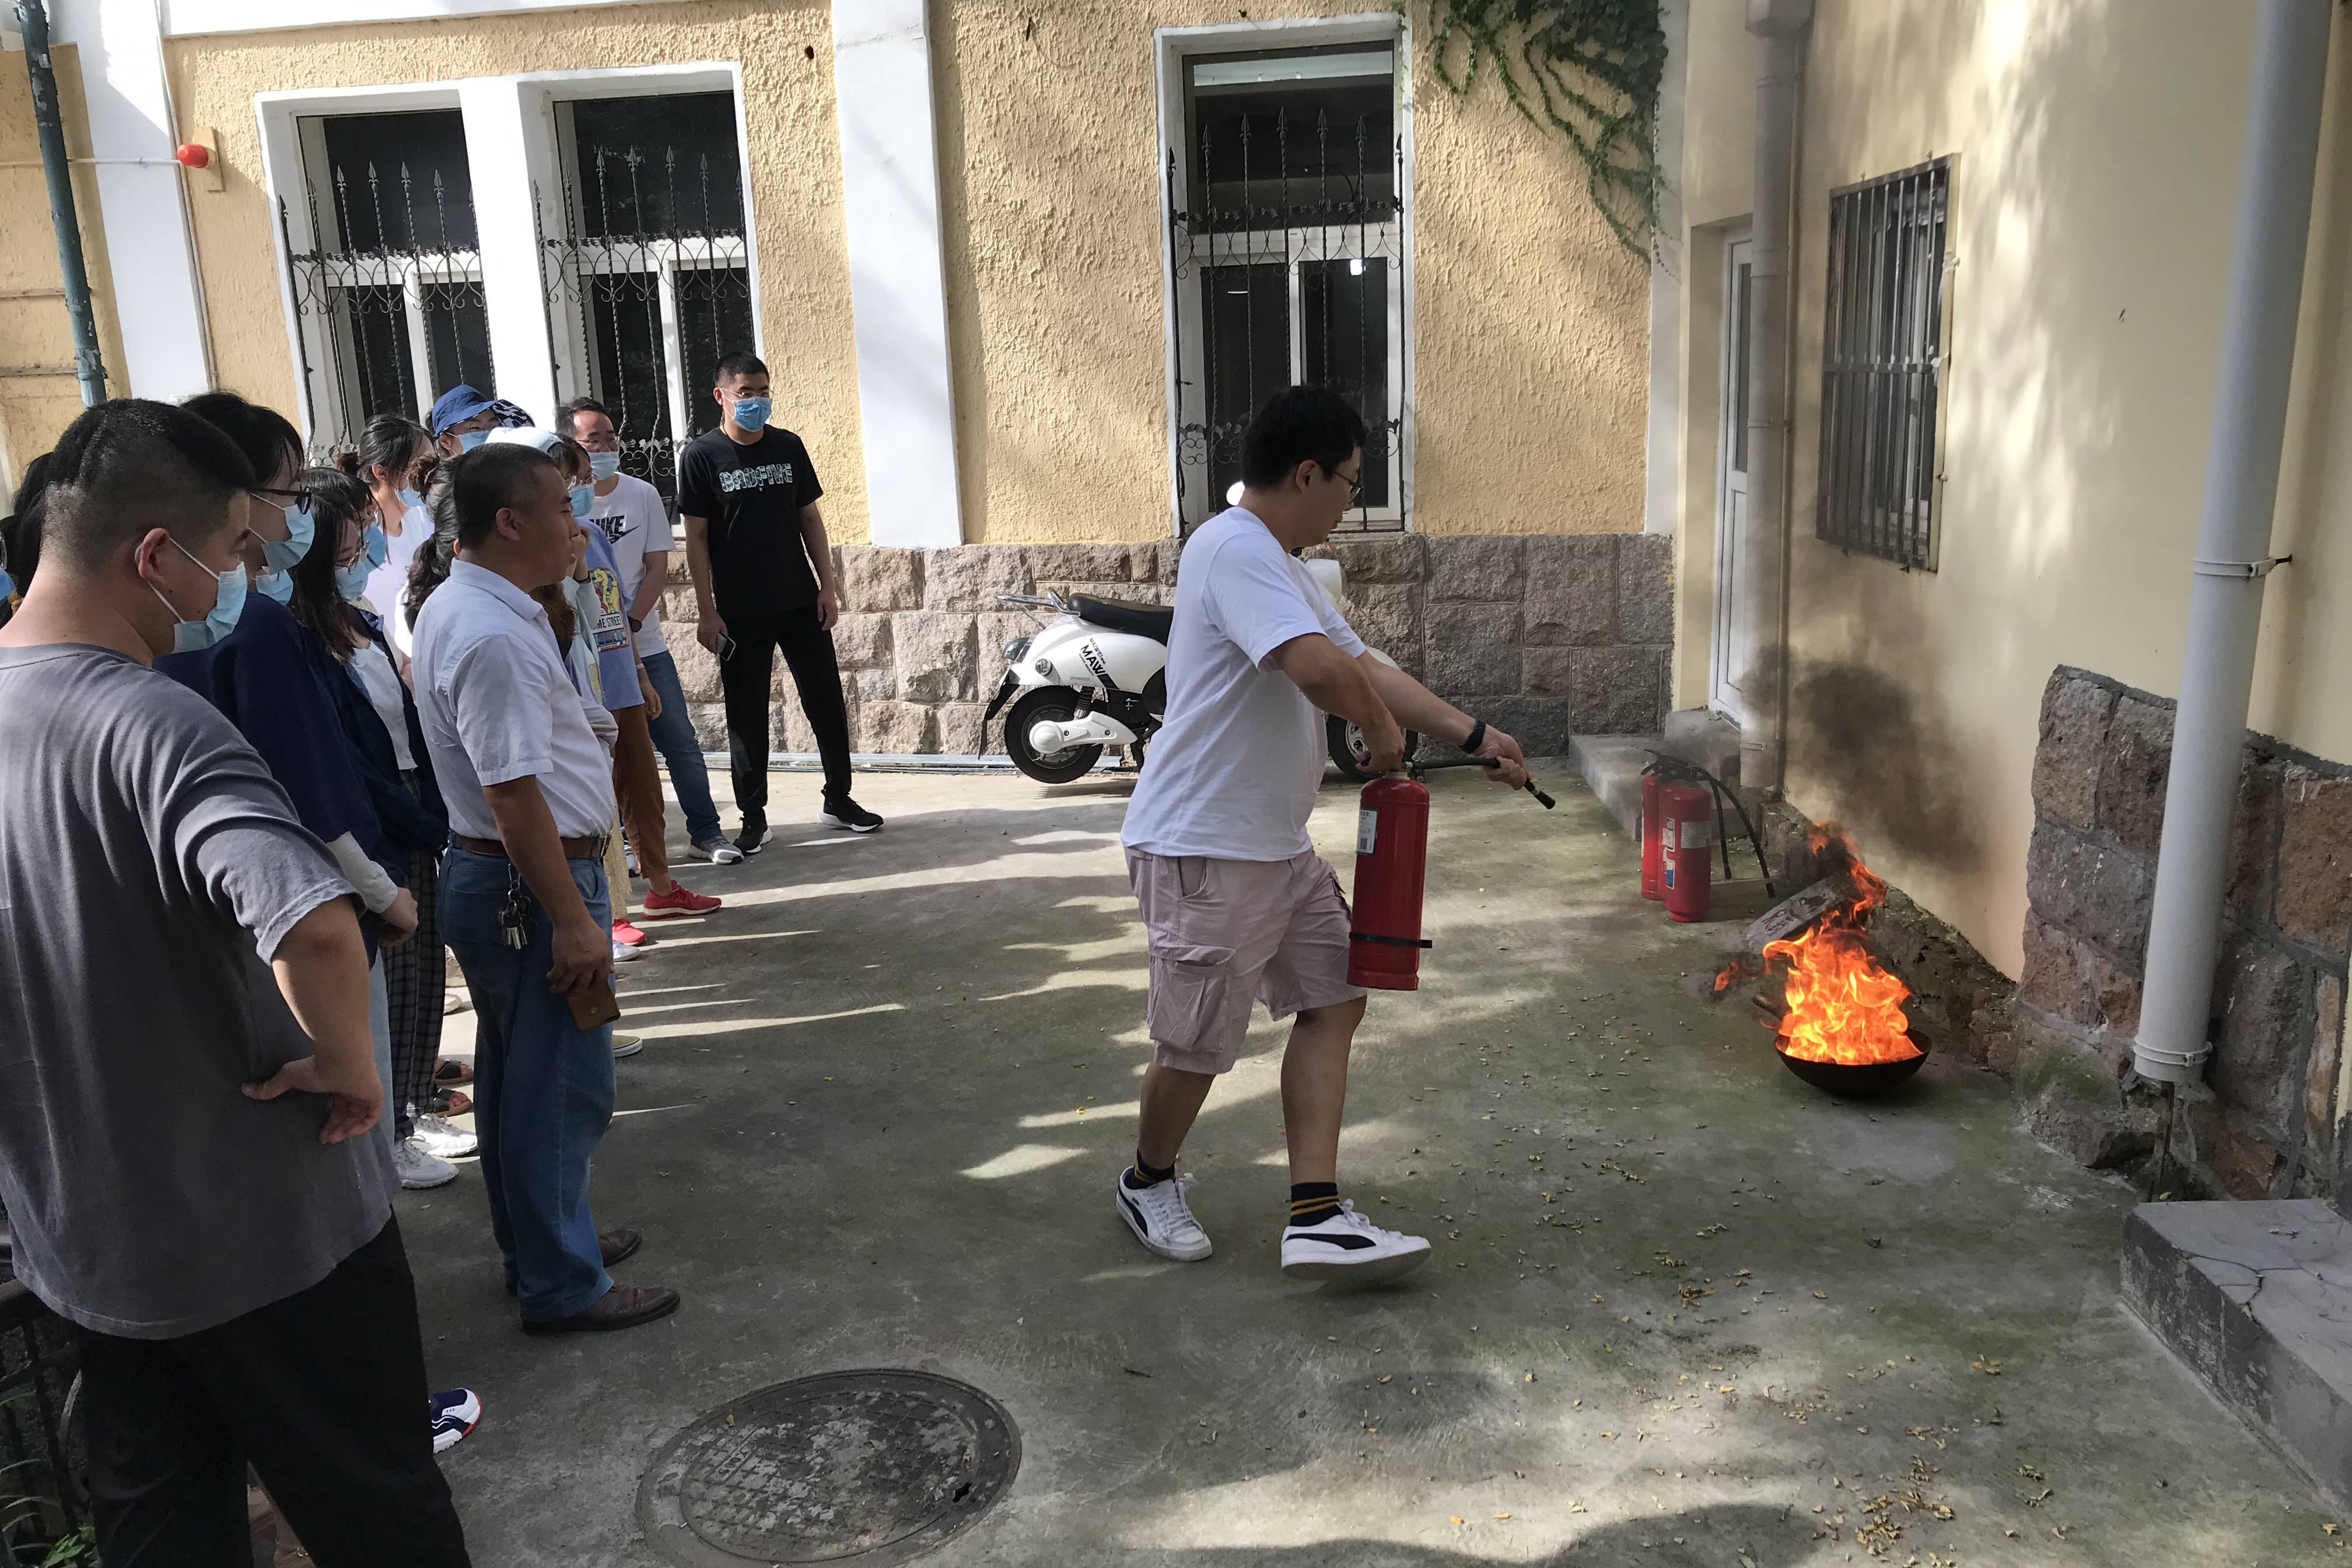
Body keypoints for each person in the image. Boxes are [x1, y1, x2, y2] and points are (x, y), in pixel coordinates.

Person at [0, 397, 470, 1563]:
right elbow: (312, 922)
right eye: (231, 553)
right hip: (269, 1237)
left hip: (89, 1250)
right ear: (154, 556)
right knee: (378, 1514)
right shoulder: (153, 724)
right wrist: (350, 1069)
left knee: (160, 1525)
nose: (241, 582)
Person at [1113, 385, 1531, 1281]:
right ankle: (1147, 1180)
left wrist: (1474, 734)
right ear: (1306, 474)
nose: (1350, 501)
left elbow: (1363, 664)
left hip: (1275, 844)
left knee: (1337, 994)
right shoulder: (1232, 547)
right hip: (1205, 846)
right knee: (1197, 1045)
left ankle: (1316, 1214)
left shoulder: (1284, 566)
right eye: (1349, 482)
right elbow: (1315, 671)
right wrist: (1378, 732)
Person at [410, 439, 680, 1333]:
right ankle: (561, 1284)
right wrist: (572, 917)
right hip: (532, 887)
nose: (579, 527)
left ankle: (542, 1248)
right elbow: (513, 793)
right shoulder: (488, 633)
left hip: (511, 879)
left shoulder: (483, 606)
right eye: (563, 509)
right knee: (562, 1088)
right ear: (509, 522)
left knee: (520, 1082)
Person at [290, 465, 474, 1188]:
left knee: (424, 977)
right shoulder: (303, 641)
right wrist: (418, 821)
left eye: (363, 542)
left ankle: (415, 1106)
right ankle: (390, 1132)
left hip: (414, 808)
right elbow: (347, 762)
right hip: (380, 822)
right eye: (347, 551)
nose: (364, 557)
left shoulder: (361, 622)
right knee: (391, 985)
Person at [488, 426, 723, 963]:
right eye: (566, 483)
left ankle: (661, 887)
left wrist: (639, 673)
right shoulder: (536, 559)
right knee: (595, 800)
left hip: (616, 679)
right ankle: (612, 912)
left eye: (578, 481)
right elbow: (564, 622)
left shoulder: (592, 537)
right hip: (578, 693)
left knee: (642, 785)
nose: (578, 492)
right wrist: (571, 566)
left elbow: (607, 612)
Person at [678, 351, 882, 853]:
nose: (756, 401)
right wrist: (707, 610)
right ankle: (753, 816)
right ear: (721, 396)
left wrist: (828, 587)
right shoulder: (702, 456)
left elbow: (810, 519)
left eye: (763, 392)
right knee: (747, 715)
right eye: (745, 393)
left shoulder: (788, 446)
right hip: (739, 612)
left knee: (826, 703)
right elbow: (696, 538)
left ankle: (839, 799)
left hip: (799, 602)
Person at [558, 396, 738, 866]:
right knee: (610, 751)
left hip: (643, 646)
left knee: (679, 740)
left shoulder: (640, 494)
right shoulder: (561, 513)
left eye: (611, 438)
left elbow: (656, 566)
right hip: (589, 655)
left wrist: (630, 624)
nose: (605, 448)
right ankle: (625, 844)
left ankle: (706, 832)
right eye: (593, 440)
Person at [350, 412, 436, 662]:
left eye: (433, 463)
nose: (430, 475)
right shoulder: (358, 536)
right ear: (381, 472)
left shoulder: (420, 517)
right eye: (420, 465)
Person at [426, 383, 528, 460]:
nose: (489, 434)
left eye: (493, 427)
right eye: (475, 428)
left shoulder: (513, 475)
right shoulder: (444, 482)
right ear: (446, 441)